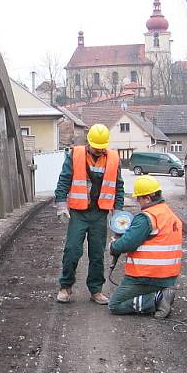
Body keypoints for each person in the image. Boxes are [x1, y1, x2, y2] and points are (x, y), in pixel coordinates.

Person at [54, 124, 125, 304]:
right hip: (79, 212)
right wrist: (62, 205)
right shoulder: (75, 155)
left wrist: (117, 214)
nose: (99, 150)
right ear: (89, 143)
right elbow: (64, 180)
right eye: (96, 147)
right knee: (72, 250)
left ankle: (96, 290)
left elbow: (118, 187)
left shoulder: (113, 159)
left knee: (97, 254)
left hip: (99, 213)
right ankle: (66, 287)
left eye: (102, 148)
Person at [108, 175, 183, 318]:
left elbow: (127, 243)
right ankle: (159, 294)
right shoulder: (169, 214)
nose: (138, 201)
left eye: (139, 198)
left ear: (148, 198)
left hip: (146, 276)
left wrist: (113, 246)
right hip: (168, 276)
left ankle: (157, 299)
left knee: (115, 305)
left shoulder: (146, 217)